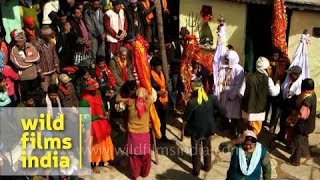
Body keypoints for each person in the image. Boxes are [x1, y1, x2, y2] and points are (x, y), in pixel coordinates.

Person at [184, 78, 227, 176]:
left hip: (195, 131)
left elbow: (185, 118)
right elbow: (223, 112)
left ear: (193, 89)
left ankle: (196, 171)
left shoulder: (192, 102)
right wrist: (214, 120)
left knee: (196, 151)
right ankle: (207, 166)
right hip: (209, 128)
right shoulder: (212, 98)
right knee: (207, 147)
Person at [79, 78, 114, 173]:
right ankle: (94, 164)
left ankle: (104, 161)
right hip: (92, 125)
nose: (95, 91)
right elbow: (84, 117)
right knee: (93, 145)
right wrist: (97, 116)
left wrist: (105, 112)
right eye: (93, 90)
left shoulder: (98, 96)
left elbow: (101, 106)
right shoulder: (83, 101)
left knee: (105, 143)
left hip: (102, 123)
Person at [118, 87, 153, 179]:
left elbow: (117, 100)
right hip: (144, 133)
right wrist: (145, 95)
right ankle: (145, 173)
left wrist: (126, 99)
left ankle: (135, 174)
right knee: (146, 155)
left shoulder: (130, 103)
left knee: (134, 156)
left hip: (133, 134)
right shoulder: (148, 103)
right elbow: (152, 95)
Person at [240, 57, 280, 135]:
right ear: (265, 68)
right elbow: (274, 93)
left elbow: (241, 93)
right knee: (254, 133)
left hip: (246, 111)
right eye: (269, 67)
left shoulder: (247, 77)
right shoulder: (268, 79)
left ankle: (244, 144)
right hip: (258, 112)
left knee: (245, 131)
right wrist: (278, 84)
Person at [289, 78, 316, 166]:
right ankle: (305, 154)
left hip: (302, 126)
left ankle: (295, 161)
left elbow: (302, 115)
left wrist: (293, 117)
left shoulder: (306, 100)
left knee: (297, 142)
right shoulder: (313, 94)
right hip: (309, 125)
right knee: (304, 139)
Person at [218, 50, 245, 136]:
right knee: (224, 111)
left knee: (234, 113)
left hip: (233, 93)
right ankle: (225, 125)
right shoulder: (224, 67)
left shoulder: (239, 69)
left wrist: (233, 94)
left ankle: (234, 129)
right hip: (224, 91)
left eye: (227, 59)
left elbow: (239, 83)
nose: (226, 61)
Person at [275, 66, 302, 141]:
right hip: (285, 103)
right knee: (282, 121)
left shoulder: (300, 84)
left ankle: (289, 140)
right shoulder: (288, 80)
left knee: (290, 124)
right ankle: (281, 135)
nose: (289, 75)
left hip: (293, 106)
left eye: (291, 74)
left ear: (297, 75)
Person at [10, 30, 40, 95]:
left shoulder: (29, 45)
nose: (18, 44)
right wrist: (32, 62)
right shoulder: (14, 49)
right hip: (24, 78)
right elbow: (18, 64)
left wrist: (25, 60)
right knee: (27, 96)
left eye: (20, 42)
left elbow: (37, 57)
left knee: (36, 94)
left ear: (24, 40)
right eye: (16, 42)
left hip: (34, 76)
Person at [33, 27, 60, 92]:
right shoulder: (37, 45)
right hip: (44, 73)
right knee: (45, 90)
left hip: (53, 71)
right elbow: (36, 61)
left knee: (54, 90)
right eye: (50, 35)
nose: (51, 36)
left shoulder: (52, 43)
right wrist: (39, 72)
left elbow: (55, 56)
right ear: (44, 36)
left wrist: (57, 68)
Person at [150, 57, 170, 142]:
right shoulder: (150, 75)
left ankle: (163, 136)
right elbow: (149, 89)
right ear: (153, 67)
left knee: (164, 119)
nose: (160, 68)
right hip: (156, 101)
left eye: (160, 66)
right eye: (158, 66)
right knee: (156, 120)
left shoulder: (161, 73)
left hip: (164, 99)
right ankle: (156, 138)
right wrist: (158, 93)